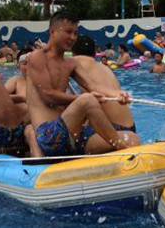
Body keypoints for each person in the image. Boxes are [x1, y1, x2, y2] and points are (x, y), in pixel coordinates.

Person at [23, 12, 133, 158]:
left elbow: (94, 86)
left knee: (132, 138)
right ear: (53, 31)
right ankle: (121, 147)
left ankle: (122, 149)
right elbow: (48, 95)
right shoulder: (37, 57)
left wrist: (118, 94)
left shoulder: (71, 63)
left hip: (70, 133)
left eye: (75, 33)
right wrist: (83, 99)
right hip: (48, 136)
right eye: (68, 32)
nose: (73, 37)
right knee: (87, 100)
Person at [71, 35, 141, 152]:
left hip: (109, 130)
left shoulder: (76, 62)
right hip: (129, 127)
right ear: (94, 53)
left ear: (73, 51)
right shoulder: (104, 67)